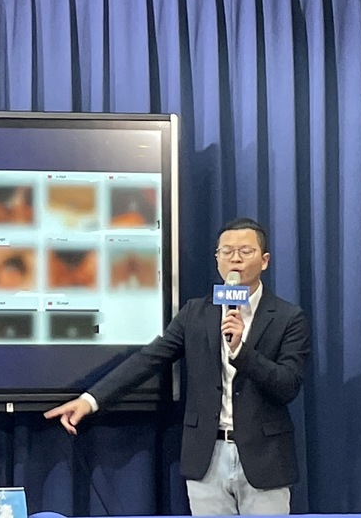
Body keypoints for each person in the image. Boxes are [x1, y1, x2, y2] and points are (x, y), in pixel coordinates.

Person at [44, 217, 311, 515]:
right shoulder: (196, 313)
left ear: (264, 260)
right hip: (207, 457)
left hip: (265, 459)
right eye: (226, 251)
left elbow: (287, 385)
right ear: (217, 259)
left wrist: (241, 351)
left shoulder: (288, 317)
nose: (235, 258)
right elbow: (149, 359)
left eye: (245, 251)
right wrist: (90, 400)